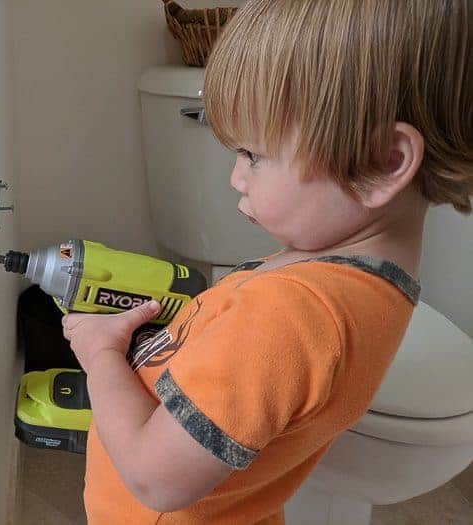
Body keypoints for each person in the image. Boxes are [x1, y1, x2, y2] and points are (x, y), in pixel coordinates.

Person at [61, 1, 473, 523]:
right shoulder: (357, 273)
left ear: (381, 163)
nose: (237, 177)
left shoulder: (291, 316)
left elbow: (153, 477)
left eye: (253, 155)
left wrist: (101, 353)